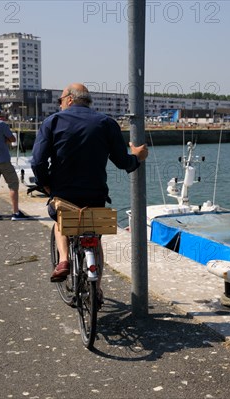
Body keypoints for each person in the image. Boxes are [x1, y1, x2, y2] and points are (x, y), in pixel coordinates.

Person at [31, 83, 148, 287]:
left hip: (64, 194)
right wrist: (137, 158)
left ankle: (64, 260)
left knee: (61, 222)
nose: (59, 105)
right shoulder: (106, 123)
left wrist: (46, 185)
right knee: (95, 237)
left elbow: (37, 162)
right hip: (95, 195)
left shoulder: (53, 122)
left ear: (69, 99)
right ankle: (98, 290)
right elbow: (123, 162)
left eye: (60, 101)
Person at [0, 103, 30, 221]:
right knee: (13, 184)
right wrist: (5, 139)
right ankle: (16, 213)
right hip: (3, 159)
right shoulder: (1, 124)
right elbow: (12, 139)